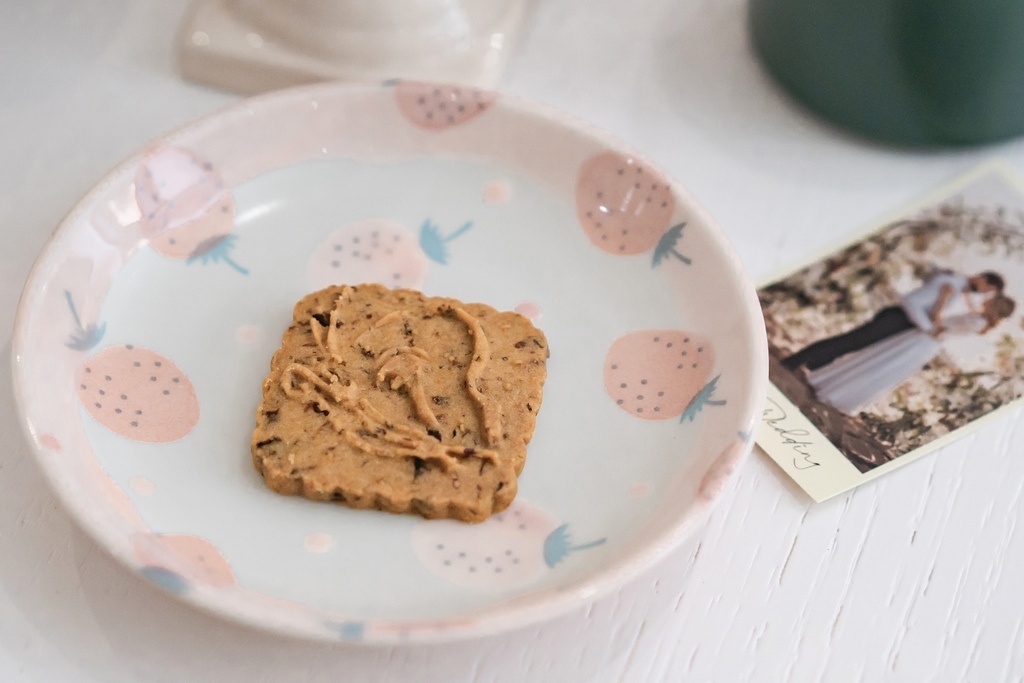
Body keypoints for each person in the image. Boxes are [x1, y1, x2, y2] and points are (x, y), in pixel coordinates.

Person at [806, 294, 1016, 414]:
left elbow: (940, 326)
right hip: (925, 342)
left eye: (992, 300)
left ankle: (839, 394)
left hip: (925, 340)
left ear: (995, 306)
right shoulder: (980, 321)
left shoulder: (977, 321)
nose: (987, 299)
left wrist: (942, 299)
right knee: (878, 362)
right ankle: (836, 389)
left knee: (881, 365)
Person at [782, 270, 1004, 371]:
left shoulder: (958, 290)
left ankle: (810, 364)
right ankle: (794, 362)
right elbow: (913, 302)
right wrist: (928, 327)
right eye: (988, 288)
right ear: (982, 279)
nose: (984, 293)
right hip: (899, 318)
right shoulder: (950, 284)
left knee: (855, 346)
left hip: (906, 325)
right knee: (850, 341)